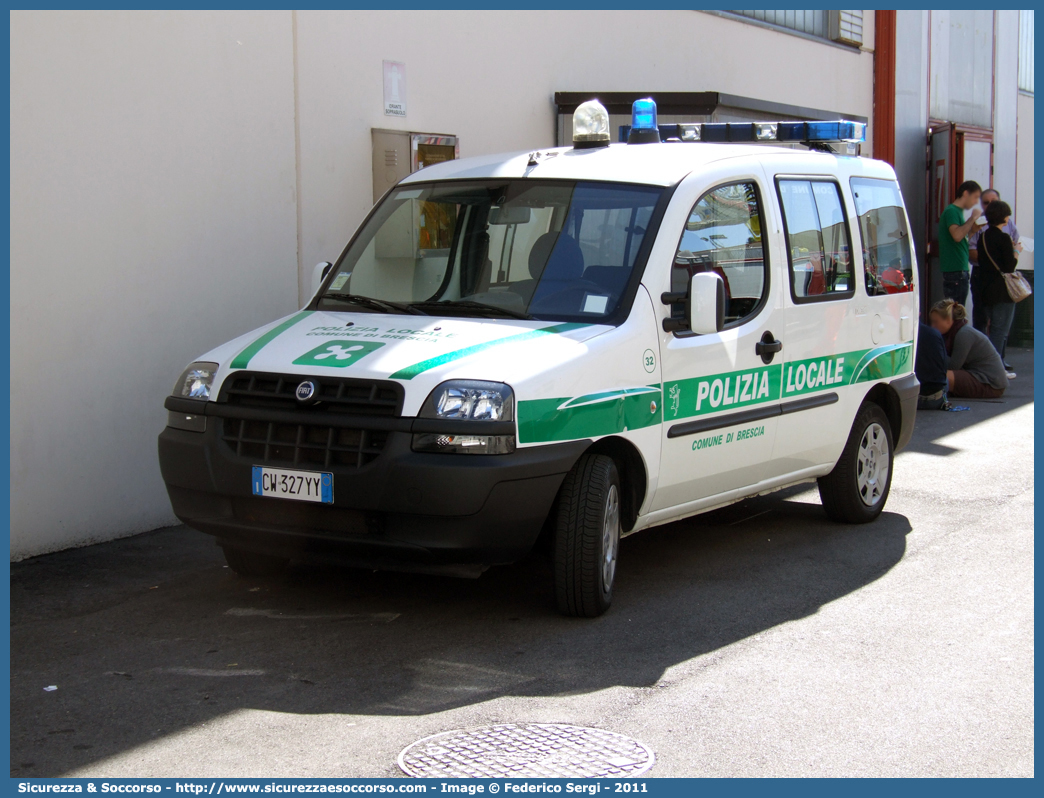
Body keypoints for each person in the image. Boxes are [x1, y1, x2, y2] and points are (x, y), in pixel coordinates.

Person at [969, 188, 1021, 371]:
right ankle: (995, 366)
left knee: (985, 325)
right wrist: (1016, 251)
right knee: (1000, 330)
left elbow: (982, 261)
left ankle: (984, 362)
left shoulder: (982, 236)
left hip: (985, 286)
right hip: (1002, 290)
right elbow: (1009, 267)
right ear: (1003, 217)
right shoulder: (1004, 238)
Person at [928, 299, 1008, 399]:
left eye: (936, 322)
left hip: (991, 384)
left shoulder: (964, 334)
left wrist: (933, 351)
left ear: (948, 321)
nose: (932, 326)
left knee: (942, 376)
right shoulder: (956, 332)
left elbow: (953, 366)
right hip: (981, 377)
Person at [938, 181, 985, 305]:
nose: (976, 202)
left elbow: (960, 238)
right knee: (956, 312)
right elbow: (957, 236)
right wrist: (972, 218)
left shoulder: (957, 212)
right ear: (965, 193)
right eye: (975, 197)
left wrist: (972, 231)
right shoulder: (952, 211)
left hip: (959, 269)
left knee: (957, 310)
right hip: (955, 271)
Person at [915, 322, 949, 409]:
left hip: (913, 398)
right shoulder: (934, 333)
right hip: (935, 398)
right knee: (946, 379)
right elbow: (944, 365)